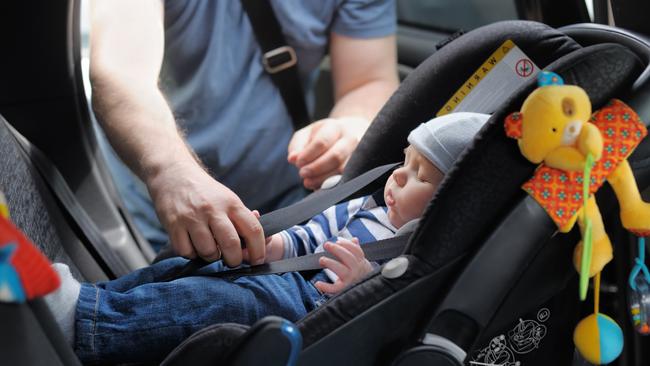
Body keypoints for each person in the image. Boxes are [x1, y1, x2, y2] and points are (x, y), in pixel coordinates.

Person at [45, 113, 490, 364]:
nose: (397, 176)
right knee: (193, 268)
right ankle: (92, 300)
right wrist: (272, 245)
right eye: (405, 162)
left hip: (309, 303)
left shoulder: (415, 250)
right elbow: (312, 235)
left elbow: (382, 305)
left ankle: (90, 325)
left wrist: (357, 281)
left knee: (223, 304)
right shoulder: (366, 207)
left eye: (420, 176)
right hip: (285, 272)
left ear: (448, 201)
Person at [89, 0, 400, 266]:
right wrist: (170, 172)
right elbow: (120, 71)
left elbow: (369, 80)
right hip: (151, 213)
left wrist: (352, 126)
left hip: (283, 212)